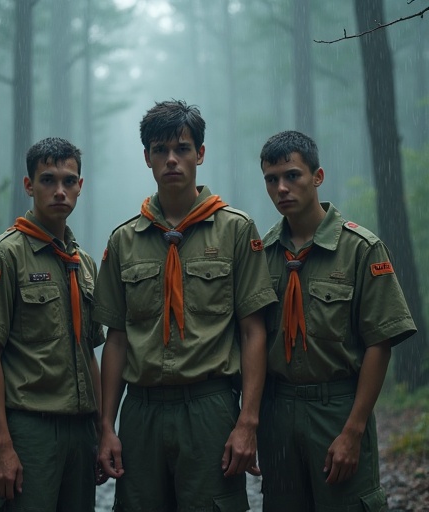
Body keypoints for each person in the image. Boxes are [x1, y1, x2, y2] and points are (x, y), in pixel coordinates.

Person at [93, 99, 277, 511]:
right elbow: (117, 340)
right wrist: (106, 426)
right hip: (141, 412)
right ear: (146, 158)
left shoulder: (235, 229)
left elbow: (253, 331)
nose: (171, 159)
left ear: (200, 153)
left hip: (209, 407)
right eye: (160, 150)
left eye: (182, 148)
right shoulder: (125, 240)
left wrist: (248, 420)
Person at [257, 130, 417, 512]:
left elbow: (379, 343)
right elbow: (252, 339)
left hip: (337, 407)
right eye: (271, 179)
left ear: (318, 176)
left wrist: (354, 429)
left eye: (292, 175)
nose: (281, 187)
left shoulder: (360, 249)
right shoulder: (262, 255)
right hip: (277, 409)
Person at [0, 137, 104, 512]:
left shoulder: (84, 264)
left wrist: (101, 430)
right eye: (47, 180)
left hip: (80, 432)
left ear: (80, 186)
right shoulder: (3, 255)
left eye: (69, 181)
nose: (60, 190)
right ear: (29, 186)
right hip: (30, 430)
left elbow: (89, 352)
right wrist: (1, 444)